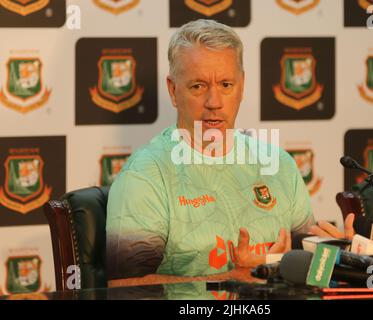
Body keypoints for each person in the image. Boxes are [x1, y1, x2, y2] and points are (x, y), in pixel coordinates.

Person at [106, 19, 354, 288]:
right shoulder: (145, 175)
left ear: (242, 85)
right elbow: (125, 287)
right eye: (198, 86)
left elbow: (307, 265)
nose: (214, 102)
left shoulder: (279, 164)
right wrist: (231, 281)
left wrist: (344, 257)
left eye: (226, 85)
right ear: (173, 90)